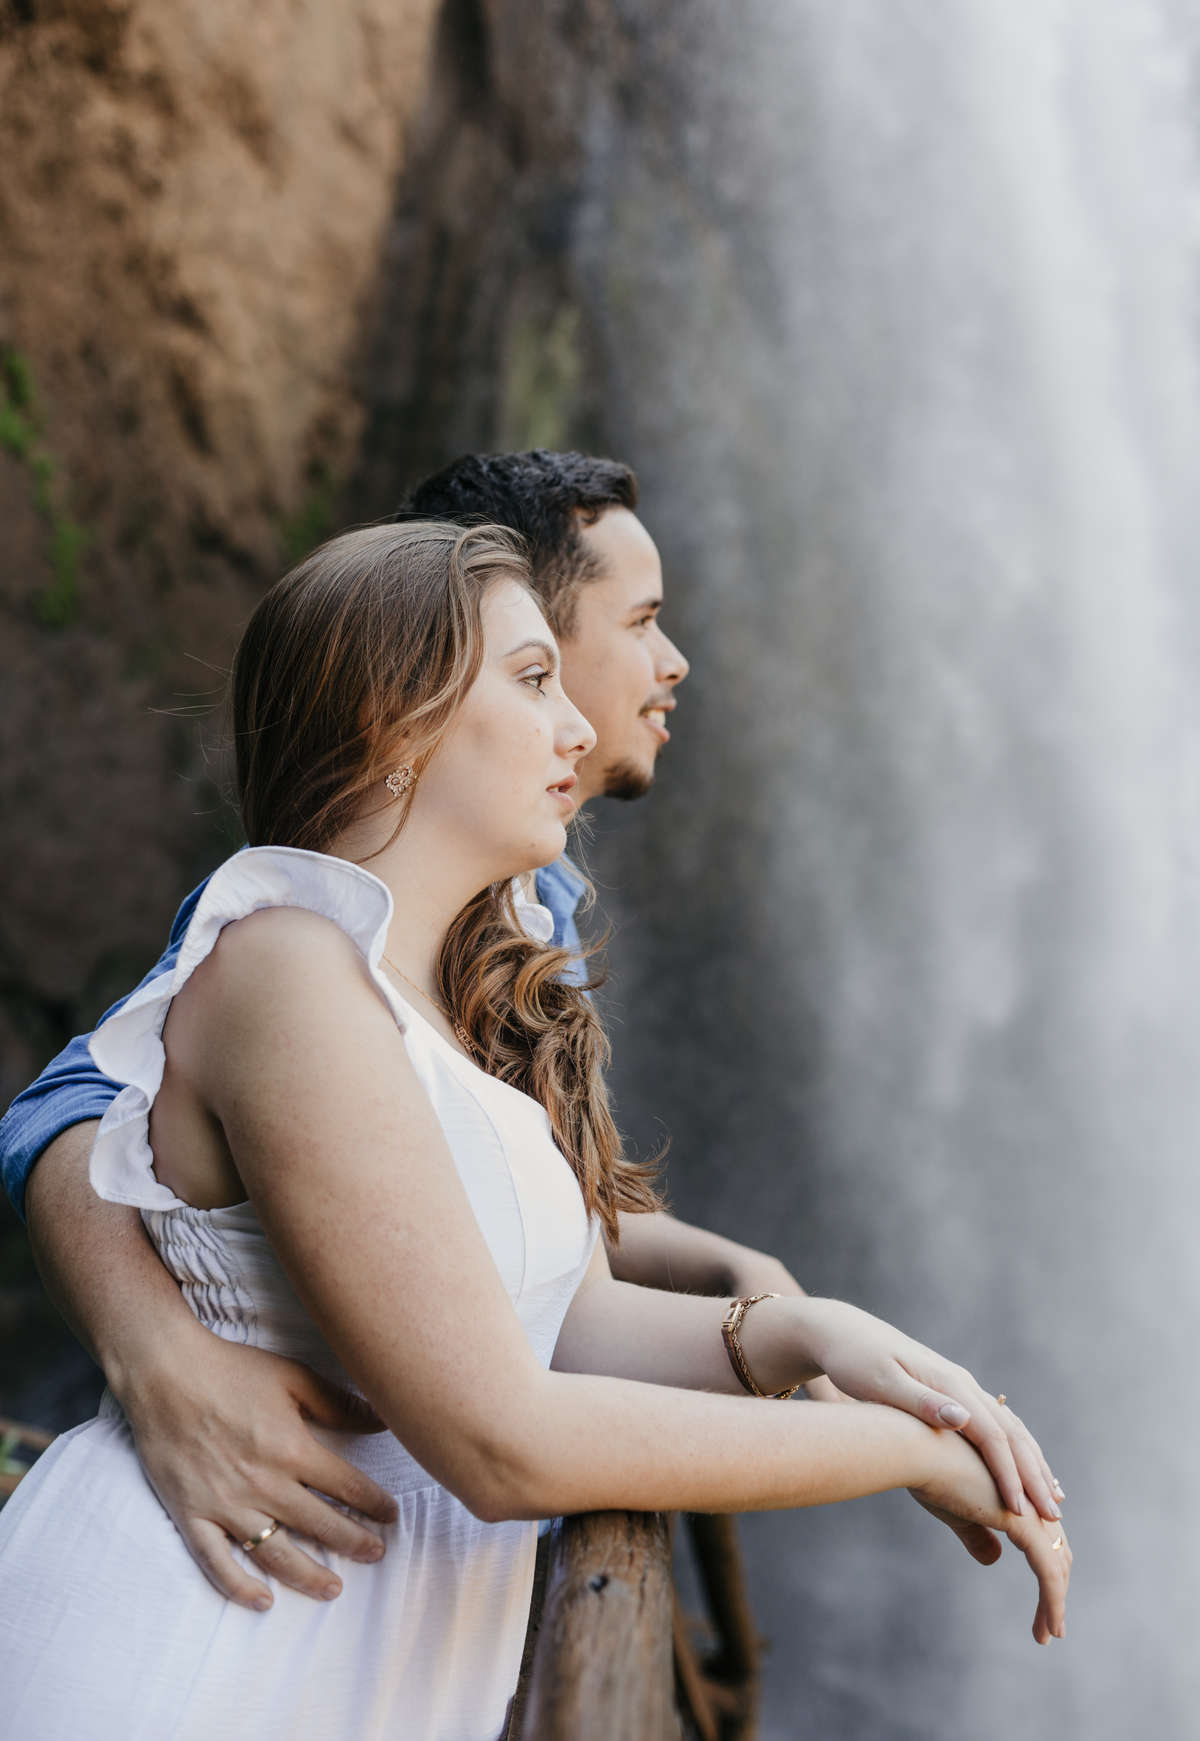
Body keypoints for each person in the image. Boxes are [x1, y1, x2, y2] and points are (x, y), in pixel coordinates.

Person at [0, 520, 1068, 1741]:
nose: (574, 726)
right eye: (531, 678)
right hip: (189, 1663)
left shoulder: (435, 1016)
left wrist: (799, 1329)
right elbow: (502, 1438)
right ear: (394, 724)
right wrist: (903, 1454)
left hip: (345, 1664)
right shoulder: (283, 963)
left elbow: (562, 1318)